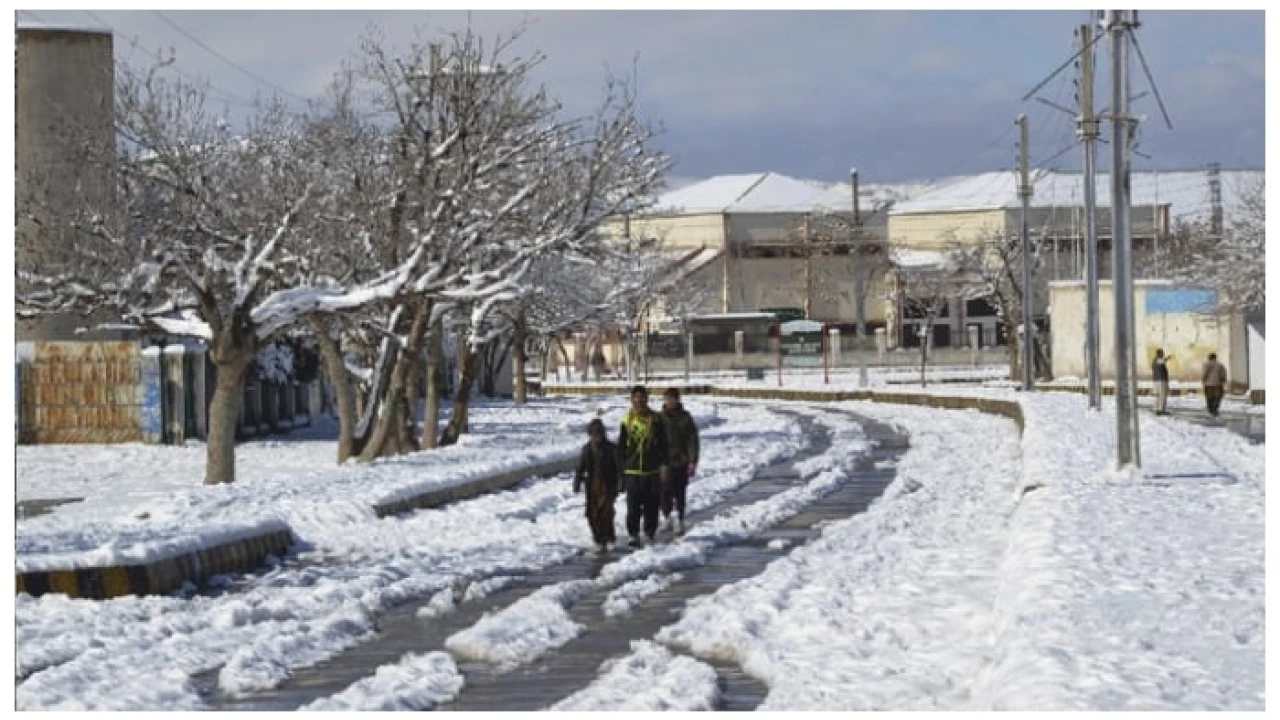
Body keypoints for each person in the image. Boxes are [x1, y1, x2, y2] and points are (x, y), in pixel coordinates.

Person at [617, 385, 669, 548]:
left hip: (651, 470)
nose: (639, 401)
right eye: (636, 398)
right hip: (632, 470)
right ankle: (633, 534)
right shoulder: (626, 420)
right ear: (632, 399)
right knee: (632, 505)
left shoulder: (656, 419)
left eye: (642, 397)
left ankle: (649, 532)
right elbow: (621, 446)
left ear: (647, 399)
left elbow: (663, 445)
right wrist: (620, 468)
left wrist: (664, 465)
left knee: (651, 505)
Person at [574, 418, 621, 553]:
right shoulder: (587, 449)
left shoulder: (612, 449)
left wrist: (620, 482)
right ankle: (598, 539)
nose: (597, 437)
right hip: (592, 485)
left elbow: (619, 468)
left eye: (599, 434)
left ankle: (609, 537)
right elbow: (580, 467)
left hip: (608, 484)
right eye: (593, 434)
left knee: (606, 512)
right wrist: (577, 481)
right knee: (591, 513)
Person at [660, 387, 700, 534]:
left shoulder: (686, 417)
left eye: (673, 399)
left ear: (678, 400)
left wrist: (692, 460)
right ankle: (667, 516)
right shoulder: (659, 418)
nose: (670, 402)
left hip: (681, 460)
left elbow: (692, 440)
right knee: (664, 492)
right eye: (667, 399)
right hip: (664, 462)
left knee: (679, 491)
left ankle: (680, 518)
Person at [1202, 353, 1228, 417]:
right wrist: (1223, 380)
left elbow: (1205, 373)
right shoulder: (1220, 365)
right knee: (1218, 397)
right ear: (1215, 358)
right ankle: (1215, 409)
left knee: (1209, 397)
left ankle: (1211, 410)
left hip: (1208, 384)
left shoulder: (1206, 364)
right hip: (1218, 384)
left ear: (1209, 358)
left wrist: (1203, 380)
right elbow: (1223, 374)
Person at [1151, 348, 1171, 416]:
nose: (1163, 354)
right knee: (1162, 395)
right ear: (1160, 354)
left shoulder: (1154, 361)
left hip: (1157, 380)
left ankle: (1156, 408)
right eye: (1162, 353)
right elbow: (1163, 361)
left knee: (1157, 395)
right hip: (1161, 380)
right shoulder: (1157, 360)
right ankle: (1161, 409)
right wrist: (1167, 358)